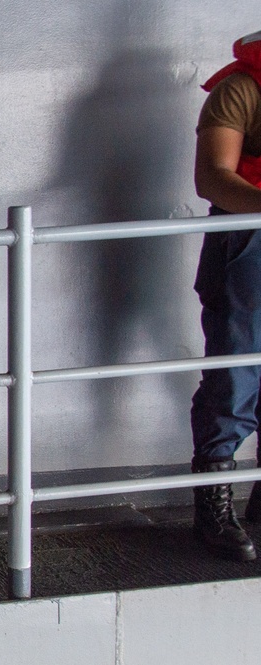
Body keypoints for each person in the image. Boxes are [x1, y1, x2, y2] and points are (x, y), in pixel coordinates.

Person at [189, 30, 261, 563]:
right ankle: (214, 507)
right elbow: (212, 177)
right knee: (235, 376)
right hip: (249, 239)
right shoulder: (240, 89)